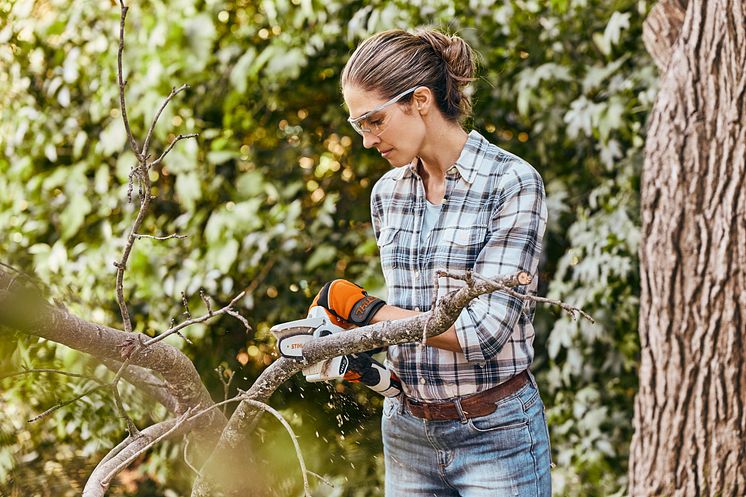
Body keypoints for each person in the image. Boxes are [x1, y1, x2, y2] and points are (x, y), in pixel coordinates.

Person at [310, 29, 551, 496]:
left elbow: (482, 334)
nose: (366, 139)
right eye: (358, 125)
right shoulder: (388, 194)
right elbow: (413, 318)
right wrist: (353, 342)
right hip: (407, 433)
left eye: (373, 121)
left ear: (420, 100)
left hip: (494, 434)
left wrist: (365, 312)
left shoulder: (511, 184)